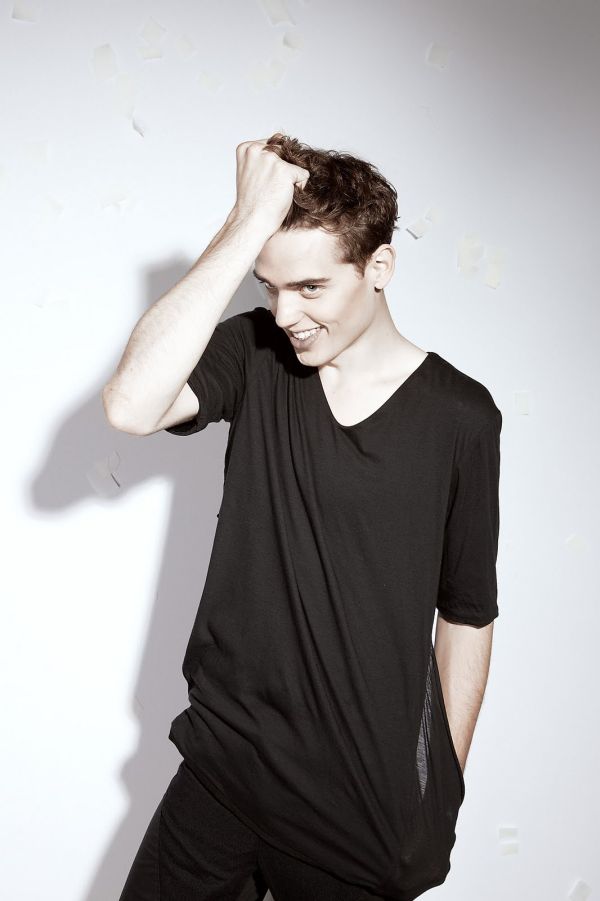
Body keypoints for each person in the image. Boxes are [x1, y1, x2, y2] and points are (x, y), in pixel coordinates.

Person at [103, 134, 502, 901]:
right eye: (270, 286)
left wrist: (439, 793)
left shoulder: (461, 418)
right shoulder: (256, 354)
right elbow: (130, 404)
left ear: (379, 267)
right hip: (222, 774)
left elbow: (467, 614)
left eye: (311, 287)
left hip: (354, 811)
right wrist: (246, 222)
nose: (287, 313)